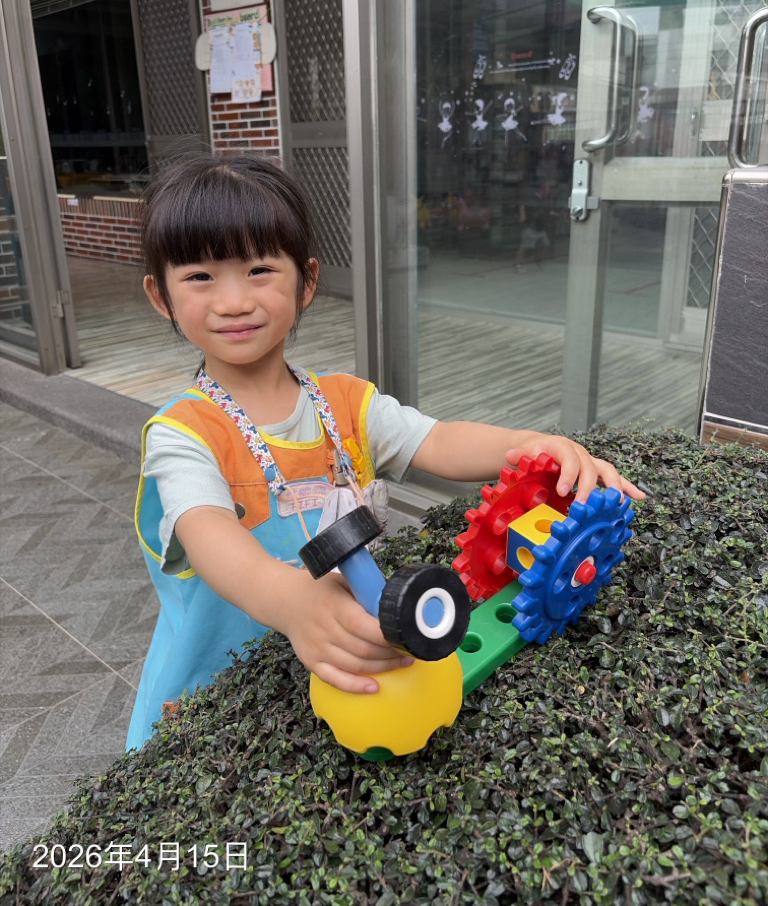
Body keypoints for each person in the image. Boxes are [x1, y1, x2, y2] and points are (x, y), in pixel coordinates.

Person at [126, 152, 645, 750]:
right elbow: (208, 532)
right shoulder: (182, 433)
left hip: (353, 670)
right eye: (200, 276)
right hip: (220, 686)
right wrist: (292, 603)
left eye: (259, 269)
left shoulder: (346, 403)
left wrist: (530, 446)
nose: (234, 300)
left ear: (306, 281)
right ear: (161, 295)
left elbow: (438, 440)